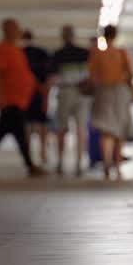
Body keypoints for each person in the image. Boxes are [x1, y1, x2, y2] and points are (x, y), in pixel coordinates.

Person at [0, 18, 45, 179]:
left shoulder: (17, 50)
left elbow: (24, 73)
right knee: (17, 134)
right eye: (16, 28)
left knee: (4, 134)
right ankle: (29, 165)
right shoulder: (1, 50)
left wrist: (37, 86)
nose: (19, 31)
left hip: (19, 101)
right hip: (10, 101)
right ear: (7, 30)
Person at [88, 25, 133, 180]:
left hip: (104, 92)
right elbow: (131, 73)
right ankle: (118, 165)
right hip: (120, 92)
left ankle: (107, 163)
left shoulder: (97, 55)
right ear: (115, 36)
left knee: (106, 130)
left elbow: (92, 76)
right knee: (119, 130)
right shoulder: (121, 53)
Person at [50, 25, 91, 175]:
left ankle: (61, 162)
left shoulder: (57, 55)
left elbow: (53, 78)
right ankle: (79, 163)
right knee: (81, 129)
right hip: (82, 94)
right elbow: (91, 74)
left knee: (62, 128)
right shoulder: (85, 53)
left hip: (66, 92)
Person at [21, 30, 54, 167]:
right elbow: (50, 73)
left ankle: (28, 154)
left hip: (25, 93)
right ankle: (42, 152)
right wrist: (44, 88)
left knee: (27, 125)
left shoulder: (19, 53)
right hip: (40, 92)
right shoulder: (42, 53)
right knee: (42, 123)